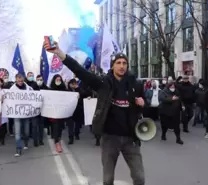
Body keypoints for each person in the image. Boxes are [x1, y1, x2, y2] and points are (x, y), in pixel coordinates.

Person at [44, 40, 146, 185]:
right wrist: (59, 53)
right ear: (112, 66)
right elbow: (80, 71)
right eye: (118, 63)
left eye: (124, 63)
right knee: (108, 179)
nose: (122, 66)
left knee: (139, 177)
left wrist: (142, 104)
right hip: (110, 138)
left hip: (131, 139)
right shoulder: (103, 83)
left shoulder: (136, 84)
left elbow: (140, 109)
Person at [10, 73, 33, 157]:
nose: (20, 82)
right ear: (16, 80)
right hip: (17, 115)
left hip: (26, 114)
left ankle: (26, 142)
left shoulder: (29, 89)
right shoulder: (12, 89)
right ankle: (18, 148)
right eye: (18, 80)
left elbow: (34, 98)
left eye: (22, 80)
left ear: (24, 80)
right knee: (17, 132)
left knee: (26, 132)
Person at [48, 74, 67, 153]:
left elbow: (70, 97)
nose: (58, 81)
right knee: (55, 126)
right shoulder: (50, 89)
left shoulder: (64, 89)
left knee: (60, 127)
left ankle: (58, 138)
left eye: (59, 80)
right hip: (54, 112)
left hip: (62, 112)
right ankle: (57, 143)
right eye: (57, 80)